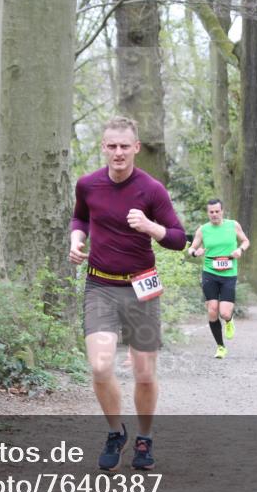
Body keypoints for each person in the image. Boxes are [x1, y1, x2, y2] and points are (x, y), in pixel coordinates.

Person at [69, 116, 186, 472]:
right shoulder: (87, 185)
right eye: (111, 146)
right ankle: (115, 431)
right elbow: (80, 218)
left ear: (136, 148)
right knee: (101, 366)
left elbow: (179, 239)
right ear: (103, 147)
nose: (118, 153)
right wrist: (77, 240)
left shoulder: (152, 190)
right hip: (100, 285)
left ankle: (144, 438)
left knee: (144, 373)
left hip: (142, 287)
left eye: (124, 146)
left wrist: (150, 227)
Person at [187, 199, 250, 359]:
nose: (214, 214)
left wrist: (239, 250)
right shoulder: (203, 230)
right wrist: (196, 252)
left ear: (222, 211)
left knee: (225, 313)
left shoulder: (233, 225)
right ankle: (220, 347)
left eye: (217, 211)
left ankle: (229, 321)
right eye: (211, 212)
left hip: (229, 274)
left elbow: (246, 241)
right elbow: (191, 249)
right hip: (209, 273)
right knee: (212, 310)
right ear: (208, 213)